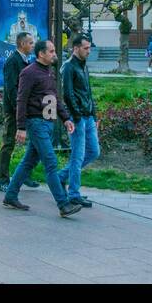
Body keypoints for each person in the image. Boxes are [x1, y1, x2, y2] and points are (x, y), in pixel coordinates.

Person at [2, 40, 81, 218]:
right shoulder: (28, 73)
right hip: (36, 123)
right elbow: (20, 100)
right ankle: (64, 204)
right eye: (51, 51)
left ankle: (10, 196)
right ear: (41, 54)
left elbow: (54, 98)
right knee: (51, 163)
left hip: (48, 123)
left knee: (29, 161)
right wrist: (21, 127)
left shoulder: (48, 71)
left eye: (54, 51)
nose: (55, 54)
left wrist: (66, 118)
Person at [0, 31, 42, 193]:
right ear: (22, 44)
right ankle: (2, 180)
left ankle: (24, 176)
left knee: (32, 144)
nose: (33, 45)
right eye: (30, 43)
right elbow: (11, 89)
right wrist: (19, 110)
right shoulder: (13, 61)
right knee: (8, 143)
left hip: (26, 109)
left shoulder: (27, 61)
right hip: (14, 110)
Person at [58, 34, 99, 207]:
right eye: (86, 48)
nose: (89, 51)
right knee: (77, 156)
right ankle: (74, 194)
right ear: (76, 48)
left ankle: (60, 177)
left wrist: (94, 115)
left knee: (94, 152)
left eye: (89, 48)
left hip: (88, 116)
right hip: (78, 118)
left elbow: (87, 92)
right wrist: (76, 117)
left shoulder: (83, 65)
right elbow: (68, 94)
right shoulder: (69, 67)